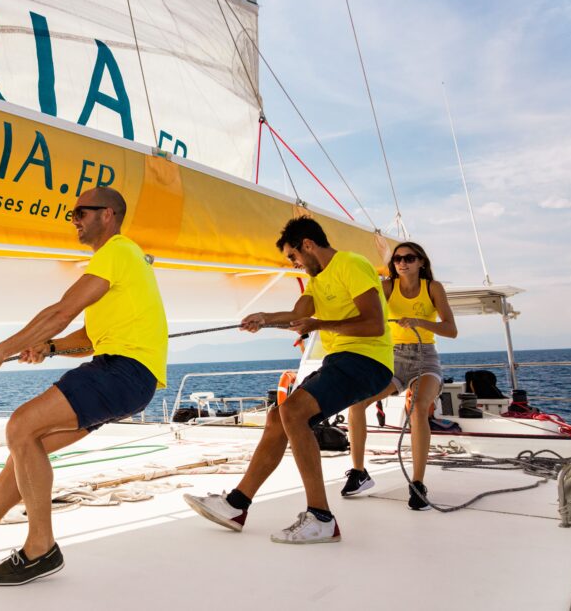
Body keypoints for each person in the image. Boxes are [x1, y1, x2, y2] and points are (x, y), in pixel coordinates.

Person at [0, 186, 167, 585]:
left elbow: (61, 312)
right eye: (73, 214)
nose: (74, 220)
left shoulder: (117, 251)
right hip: (126, 376)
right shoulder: (123, 264)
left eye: (81, 212)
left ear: (108, 215)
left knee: (20, 426)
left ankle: (40, 547)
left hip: (122, 372)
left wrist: (0, 350)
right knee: (27, 451)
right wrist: (49, 347)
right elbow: (88, 337)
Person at [184, 216, 392, 544]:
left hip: (367, 361)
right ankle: (236, 506)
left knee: (294, 412)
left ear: (307, 245)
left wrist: (320, 324)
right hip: (342, 360)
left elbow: (374, 324)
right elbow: (299, 317)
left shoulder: (351, 264)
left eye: (293, 257)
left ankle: (321, 517)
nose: (294, 263)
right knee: (277, 417)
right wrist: (264, 319)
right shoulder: (317, 282)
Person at [340, 241, 457, 509]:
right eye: (397, 259)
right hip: (391, 358)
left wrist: (420, 322)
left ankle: (417, 484)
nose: (402, 262)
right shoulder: (387, 288)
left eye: (409, 258)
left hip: (424, 358)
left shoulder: (433, 288)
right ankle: (359, 473)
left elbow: (451, 330)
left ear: (421, 262)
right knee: (357, 404)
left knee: (418, 409)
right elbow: (363, 309)